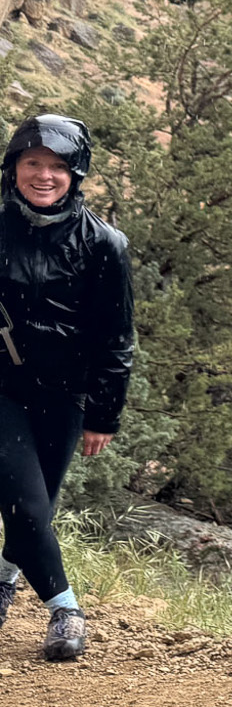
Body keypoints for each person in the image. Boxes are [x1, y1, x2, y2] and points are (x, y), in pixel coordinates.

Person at [0, 116, 135, 662]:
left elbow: (116, 336)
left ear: (76, 174)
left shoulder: (104, 244)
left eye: (57, 166)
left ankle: (4, 582)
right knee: (26, 506)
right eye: (32, 162)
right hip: (2, 388)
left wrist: (105, 413)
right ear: (13, 168)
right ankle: (66, 610)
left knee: (37, 509)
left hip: (65, 394)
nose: (44, 175)